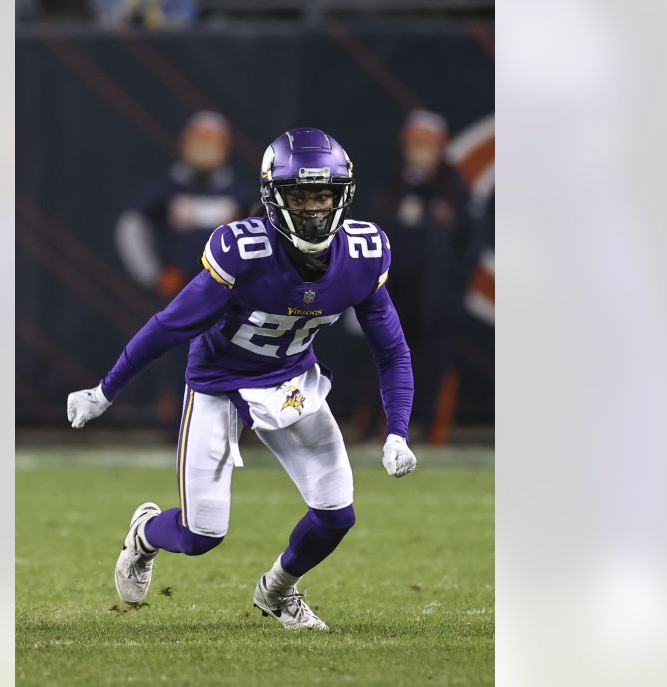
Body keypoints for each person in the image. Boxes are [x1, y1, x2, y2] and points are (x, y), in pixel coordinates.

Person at [67, 128, 417, 631]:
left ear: (344, 196)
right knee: (201, 534)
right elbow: (170, 326)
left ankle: (278, 591)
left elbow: (392, 349)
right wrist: (105, 390)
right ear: (275, 199)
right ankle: (144, 533)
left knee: (338, 515)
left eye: (324, 195)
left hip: (292, 382)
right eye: (301, 196)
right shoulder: (244, 249)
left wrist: (398, 430)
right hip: (220, 384)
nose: (316, 209)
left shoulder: (364, 252)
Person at [114, 111, 253, 427]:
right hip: (183, 293)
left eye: (212, 141)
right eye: (199, 140)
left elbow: (269, 235)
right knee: (177, 357)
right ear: (184, 144)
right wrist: (153, 274)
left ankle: (237, 419)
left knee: (236, 353)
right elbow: (131, 228)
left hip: (231, 296)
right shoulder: (167, 189)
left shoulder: (241, 195)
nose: (205, 149)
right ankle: (175, 419)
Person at [371, 109, 475, 442]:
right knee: (385, 354)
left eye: (427, 144)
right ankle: (378, 425)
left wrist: (452, 284)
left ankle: (433, 429)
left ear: (440, 147)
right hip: (394, 293)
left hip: (436, 297)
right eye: (414, 143)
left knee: (434, 359)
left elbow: (471, 244)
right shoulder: (391, 188)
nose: (420, 151)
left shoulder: (456, 191)